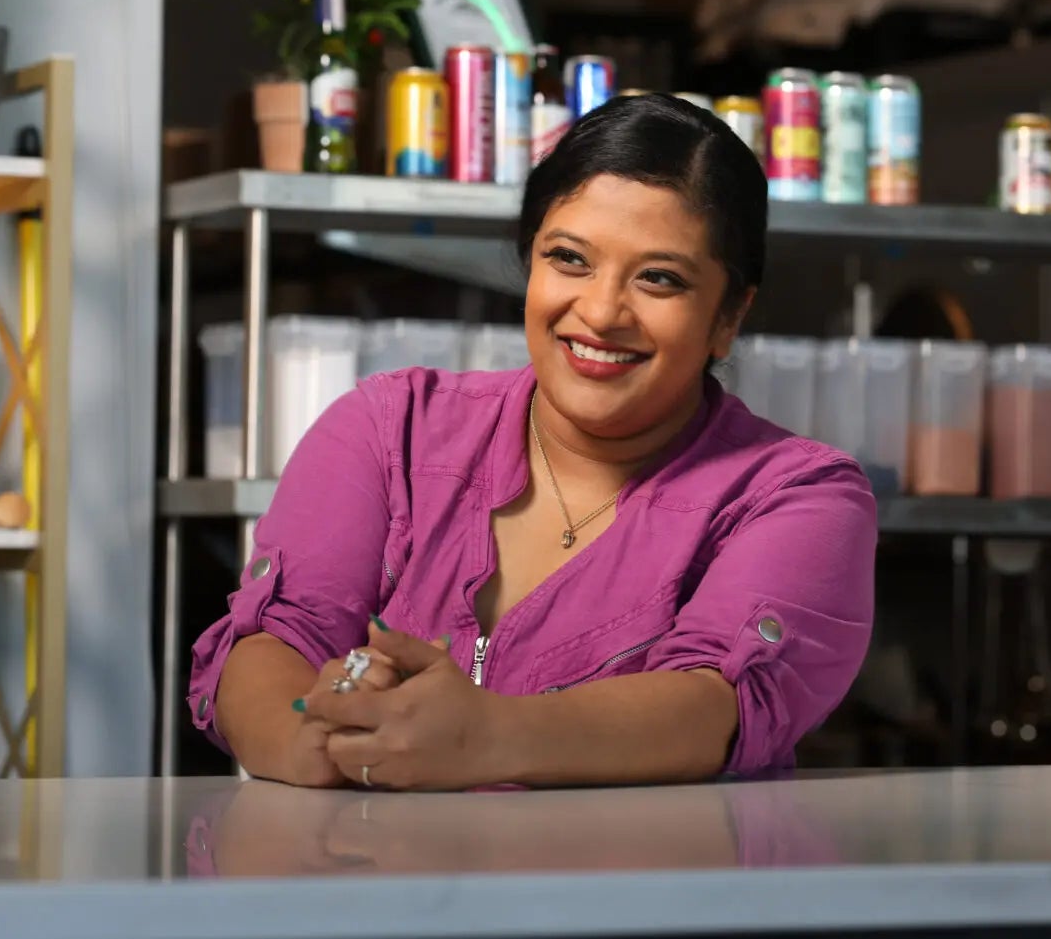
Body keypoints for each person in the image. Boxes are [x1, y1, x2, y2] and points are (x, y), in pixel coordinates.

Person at [188, 94, 879, 790]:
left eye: (659, 278)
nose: (603, 312)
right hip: (380, 885)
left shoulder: (796, 495)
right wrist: (306, 739)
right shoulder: (390, 426)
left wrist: (487, 734)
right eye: (569, 258)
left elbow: (715, 706)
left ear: (728, 316)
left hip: (645, 894)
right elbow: (275, 637)